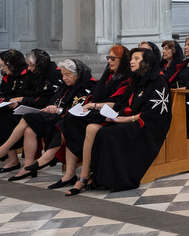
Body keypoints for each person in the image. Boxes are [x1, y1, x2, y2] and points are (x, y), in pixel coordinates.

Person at [66, 45, 173, 194]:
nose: (131, 62)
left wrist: (127, 119)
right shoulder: (135, 79)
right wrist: (112, 114)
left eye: (136, 59)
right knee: (91, 127)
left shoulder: (159, 80)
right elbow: (122, 103)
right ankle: (86, 176)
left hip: (147, 127)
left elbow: (155, 113)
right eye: (131, 59)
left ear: (147, 62)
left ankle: (108, 178)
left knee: (107, 133)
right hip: (127, 119)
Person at [48, 45, 134, 191]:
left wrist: (92, 105)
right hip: (98, 111)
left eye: (113, 58)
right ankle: (69, 174)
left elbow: (117, 104)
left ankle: (83, 175)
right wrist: (88, 105)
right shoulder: (109, 76)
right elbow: (94, 95)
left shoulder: (128, 79)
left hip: (111, 114)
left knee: (80, 124)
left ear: (123, 60)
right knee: (69, 120)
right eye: (108, 58)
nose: (110, 61)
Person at [6, 58, 94, 181]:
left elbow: (80, 108)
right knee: (29, 126)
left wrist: (58, 110)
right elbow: (53, 101)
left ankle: (42, 159)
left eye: (67, 75)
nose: (64, 78)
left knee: (38, 120)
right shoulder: (65, 86)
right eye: (63, 74)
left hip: (70, 118)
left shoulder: (88, 86)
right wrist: (51, 108)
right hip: (56, 117)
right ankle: (28, 165)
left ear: (78, 74)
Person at [0, 49, 59, 172]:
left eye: (31, 65)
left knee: (14, 119)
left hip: (44, 109)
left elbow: (45, 98)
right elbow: (29, 92)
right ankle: (10, 158)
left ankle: (6, 153)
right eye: (28, 65)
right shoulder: (36, 73)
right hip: (33, 107)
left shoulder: (54, 74)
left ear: (40, 64)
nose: (29, 68)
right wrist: (20, 99)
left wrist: (22, 99)